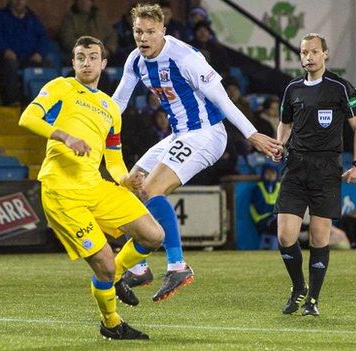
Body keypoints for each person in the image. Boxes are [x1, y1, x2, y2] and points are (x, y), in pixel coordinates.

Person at [111, 3, 281, 302]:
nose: (144, 38)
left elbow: (223, 99)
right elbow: (118, 103)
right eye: (139, 31)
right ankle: (138, 268)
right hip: (180, 134)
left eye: (151, 31)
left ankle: (177, 265)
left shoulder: (185, 56)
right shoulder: (135, 60)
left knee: (151, 189)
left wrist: (251, 133)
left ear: (163, 30)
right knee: (130, 185)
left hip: (206, 134)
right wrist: (92, 127)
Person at [19, 35, 164, 340]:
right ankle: (111, 323)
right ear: (73, 63)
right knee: (104, 268)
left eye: (93, 57)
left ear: (104, 64)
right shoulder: (61, 87)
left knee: (154, 235)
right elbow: (27, 118)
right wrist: (64, 137)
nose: (87, 63)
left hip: (96, 187)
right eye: (81, 57)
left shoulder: (110, 108)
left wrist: (126, 180)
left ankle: (121, 277)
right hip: (62, 192)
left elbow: (113, 158)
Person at [273, 33, 356, 317]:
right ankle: (298, 288)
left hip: (326, 169)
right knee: (286, 235)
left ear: (325, 54)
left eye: (314, 52)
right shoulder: (293, 89)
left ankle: (313, 299)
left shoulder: (340, 87)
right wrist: (279, 146)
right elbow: (284, 124)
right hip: (296, 167)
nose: (308, 57)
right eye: (304, 52)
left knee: (319, 238)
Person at [0, 0, 49, 105]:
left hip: (29, 58)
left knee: (47, 66)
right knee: (11, 65)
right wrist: (5, 50)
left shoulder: (33, 18)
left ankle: (45, 103)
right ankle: (12, 101)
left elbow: (43, 37)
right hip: (5, 58)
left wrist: (39, 53)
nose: (19, 1)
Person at [250, 164, 280, 250]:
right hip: (261, 220)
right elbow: (261, 209)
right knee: (279, 224)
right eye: (268, 173)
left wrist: (271, 208)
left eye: (273, 173)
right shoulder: (258, 188)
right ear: (263, 174)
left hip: (276, 218)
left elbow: (285, 205)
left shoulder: (279, 186)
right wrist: (276, 209)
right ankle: (273, 249)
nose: (270, 176)